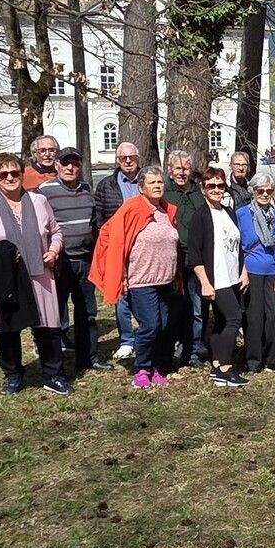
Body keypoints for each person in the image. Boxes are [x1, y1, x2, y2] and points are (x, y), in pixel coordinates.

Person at [0, 152, 70, 396]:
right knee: (8, 328)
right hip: (4, 278)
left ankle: (53, 375)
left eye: (15, 173)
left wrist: (53, 250)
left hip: (39, 273)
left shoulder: (38, 201)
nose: (10, 177)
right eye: (3, 174)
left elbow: (56, 231)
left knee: (48, 326)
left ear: (22, 174)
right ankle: (13, 375)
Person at [90, 166, 179, 388]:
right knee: (150, 325)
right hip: (141, 280)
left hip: (165, 280)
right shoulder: (131, 209)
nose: (158, 186)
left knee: (164, 326)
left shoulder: (166, 210)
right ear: (141, 188)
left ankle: (157, 366)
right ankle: (141, 368)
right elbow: (112, 236)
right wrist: (121, 274)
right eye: (152, 183)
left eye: (160, 182)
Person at [38, 146, 110, 373]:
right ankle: (54, 363)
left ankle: (88, 358)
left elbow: (94, 223)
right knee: (55, 314)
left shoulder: (87, 189)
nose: (70, 168)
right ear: (56, 165)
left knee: (87, 313)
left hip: (85, 261)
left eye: (75, 163)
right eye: (65, 163)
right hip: (59, 263)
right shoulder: (44, 192)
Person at [187, 167, 250, 387]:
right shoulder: (200, 216)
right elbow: (194, 255)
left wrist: (243, 271)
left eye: (220, 185)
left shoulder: (227, 212)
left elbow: (237, 246)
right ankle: (225, 367)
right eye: (211, 186)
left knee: (223, 322)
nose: (216, 189)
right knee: (234, 318)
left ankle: (216, 365)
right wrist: (205, 282)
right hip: (216, 279)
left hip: (232, 276)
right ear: (203, 189)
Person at [92, 141, 142, 360]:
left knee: (145, 293)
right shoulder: (106, 185)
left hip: (144, 246)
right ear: (118, 160)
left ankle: (145, 335)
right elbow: (99, 217)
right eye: (123, 158)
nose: (128, 161)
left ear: (138, 158)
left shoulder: (148, 179)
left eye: (131, 157)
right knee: (121, 294)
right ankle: (126, 340)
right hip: (117, 247)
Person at [238, 172, 275, 373]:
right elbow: (238, 246)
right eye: (261, 191)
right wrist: (243, 271)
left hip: (272, 270)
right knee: (254, 316)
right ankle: (253, 361)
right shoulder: (242, 213)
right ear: (253, 192)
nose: (265, 194)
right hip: (251, 270)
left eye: (269, 191)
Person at [163, 150, 206, 369]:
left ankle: (193, 352)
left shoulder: (199, 192)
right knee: (173, 308)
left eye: (185, 168)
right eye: (178, 168)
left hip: (196, 257)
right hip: (173, 258)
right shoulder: (163, 192)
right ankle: (168, 353)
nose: (182, 172)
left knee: (196, 309)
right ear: (170, 170)